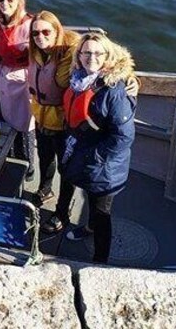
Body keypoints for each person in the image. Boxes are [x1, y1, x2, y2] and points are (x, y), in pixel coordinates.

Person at [62, 32, 137, 264]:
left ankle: (99, 261)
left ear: (107, 56)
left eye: (97, 53)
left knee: (102, 212)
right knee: (91, 200)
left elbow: (123, 136)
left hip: (103, 165)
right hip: (84, 153)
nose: (91, 57)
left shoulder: (114, 90)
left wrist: (96, 157)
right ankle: (89, 228)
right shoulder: (79, 80)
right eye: (86, 52)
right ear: (79, 55)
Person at [27, 11, 80, 232]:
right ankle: (44, 189)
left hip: (66, 122)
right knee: (45, 157)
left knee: (67, 169)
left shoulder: (74, 51)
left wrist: (130, 78)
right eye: (36, 32)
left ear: (57, 30)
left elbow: (108, 63)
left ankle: (62, 211)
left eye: (46, 31)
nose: (40, 36)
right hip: (41, 116)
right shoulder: (35, 52)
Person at [0, 0, 36, 179]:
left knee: (24, 127)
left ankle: (28, 169)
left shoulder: (30, 25)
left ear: (19, 0)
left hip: (19, 84)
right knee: (2, 121)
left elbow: (46, 53)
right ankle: (7, 162)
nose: (4, 2)